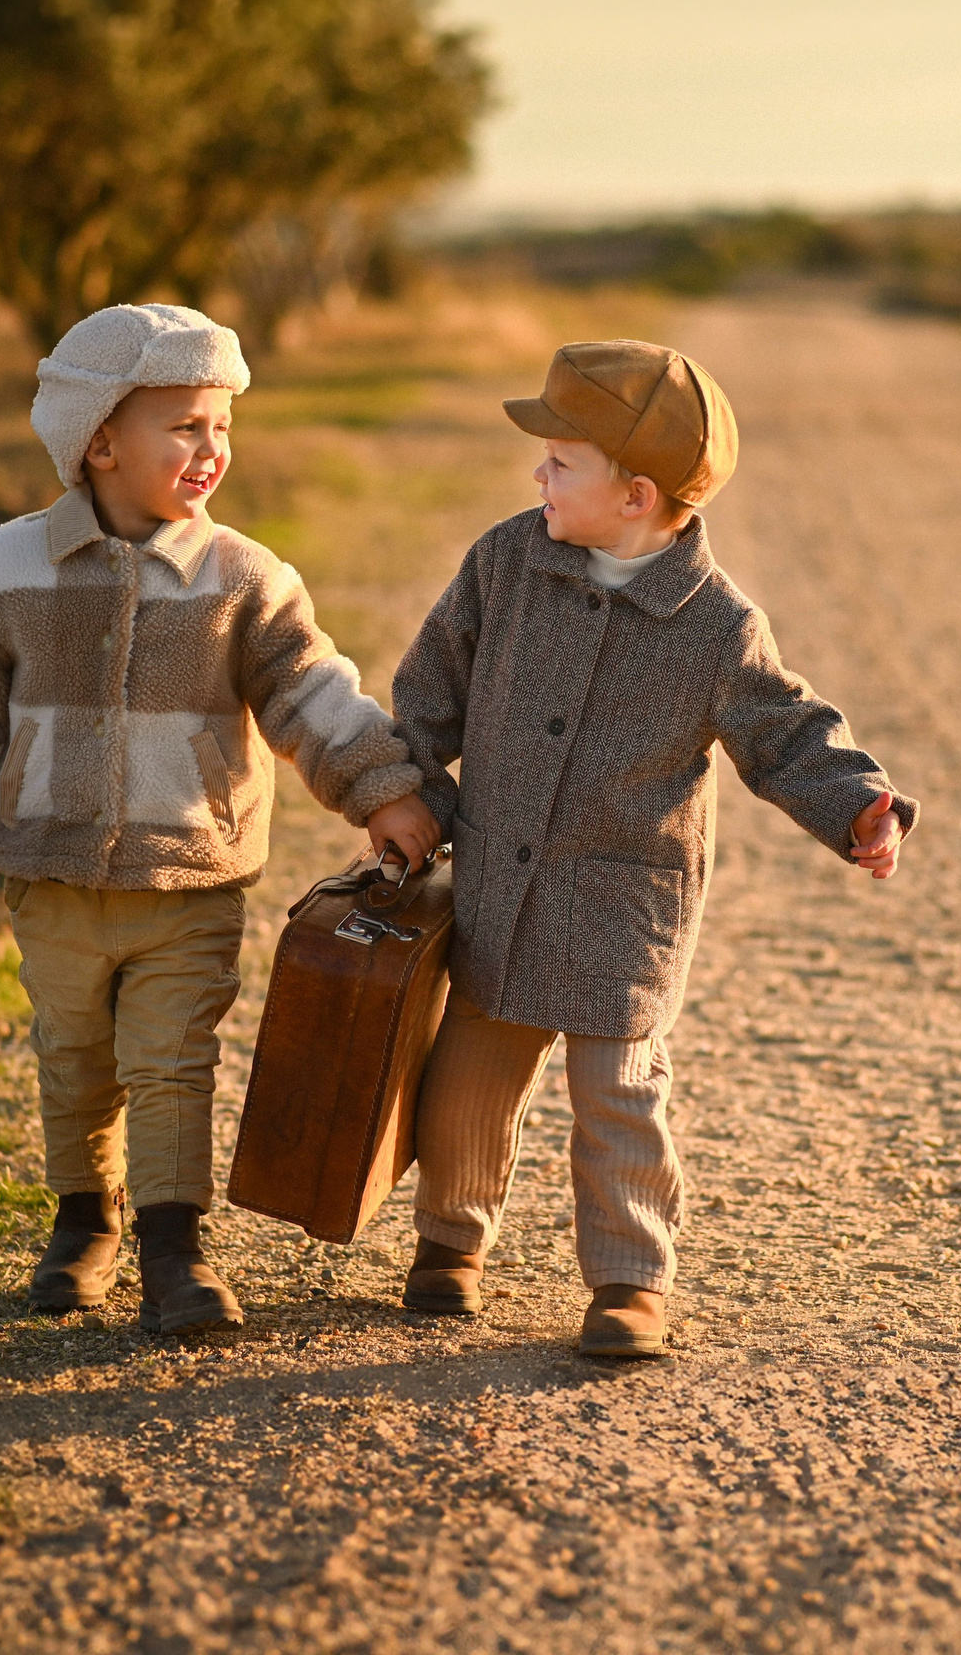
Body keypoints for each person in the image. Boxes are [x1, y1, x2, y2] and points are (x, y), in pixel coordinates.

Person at [0, 304, 438, 1335]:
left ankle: (177, 1249)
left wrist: (381, 787)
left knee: (171, 1060)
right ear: (99, 440)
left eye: (222, 425)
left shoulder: (243, 580)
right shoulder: (9, 568)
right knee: (73, 1054)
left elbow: (314, 695)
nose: (212, 449)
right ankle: (83, 1224)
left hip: (189, 871)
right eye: (184, 426)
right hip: (50, 872)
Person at [388, 339, 914, 1358]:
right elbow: (427, 694)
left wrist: (856, 805)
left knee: (619, 1092)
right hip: (499, 881)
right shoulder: (505, 563)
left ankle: (629, 1280)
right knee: (468, 1077)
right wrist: (400, 788)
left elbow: (785, 728)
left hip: (622, 905)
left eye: (559, 461)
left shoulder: (715, 624)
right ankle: (450, 1243)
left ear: (635, 495)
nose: (536, 474)